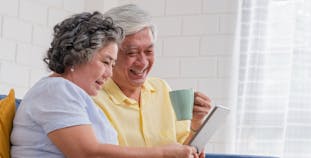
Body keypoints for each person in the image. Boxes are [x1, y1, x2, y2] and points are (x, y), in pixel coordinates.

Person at [10, 11, 199, 158]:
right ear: (80, 55)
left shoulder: (73, 94)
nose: (109, 73)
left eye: (113, 64)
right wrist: (164, 153)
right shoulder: (56, 90)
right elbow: (88, 153)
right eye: (106, 62)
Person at [93, 4, 211, 156]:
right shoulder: (95, 99)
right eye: (132, 53)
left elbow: (184, 152)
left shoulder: (161, 88)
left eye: (149, 51)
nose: (142, 62)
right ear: (109, 53)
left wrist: (197, 123)